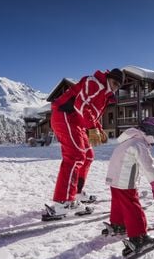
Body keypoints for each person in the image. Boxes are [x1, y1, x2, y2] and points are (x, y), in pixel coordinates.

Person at [44, 68, 124, 218]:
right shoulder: (94, 83)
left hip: (77, 123)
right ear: (108, 78)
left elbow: (92, 113)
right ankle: (63, 202)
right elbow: (80, 104)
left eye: (118, 86)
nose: (115, 87)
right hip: (65, 116)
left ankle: (76, 193)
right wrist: (93, 128)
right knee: (75, 156)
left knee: (88, 155)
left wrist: (99, 129)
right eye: (114, 82)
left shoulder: (105, 94)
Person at [105, 117, 154, 255]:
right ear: (152, 132)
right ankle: (139, 237)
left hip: (113, 178)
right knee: (133, 206)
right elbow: (147, 166)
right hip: (125, 181)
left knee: (119, 203)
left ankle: (118, 224)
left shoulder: (129, 140)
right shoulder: (139, 143)